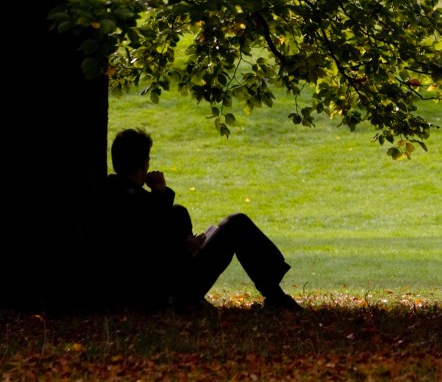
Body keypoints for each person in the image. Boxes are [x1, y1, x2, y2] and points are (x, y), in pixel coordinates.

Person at [97, 128, 301, 312]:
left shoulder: (114, 193)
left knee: (204, 218)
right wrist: (185, 248)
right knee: (236, 225)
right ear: (144, 163)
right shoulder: (134, 200)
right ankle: (275, 293)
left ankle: (274, 289)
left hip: (164, 284)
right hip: (168, 291)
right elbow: (149, 247)